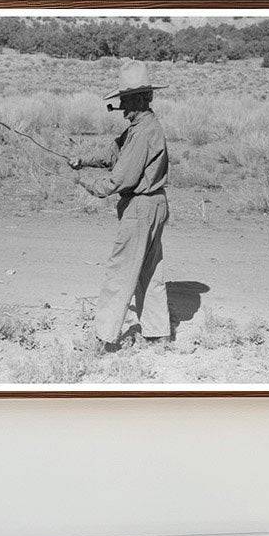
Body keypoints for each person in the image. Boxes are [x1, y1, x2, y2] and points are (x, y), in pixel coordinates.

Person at [70, 59, 171, 352]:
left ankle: (104, 338)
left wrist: (89, 185)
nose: (122, 106)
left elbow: (121, 179)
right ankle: (157, 334)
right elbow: (112, 153)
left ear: (141, 99)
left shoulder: (142, 132)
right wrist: (83, 161)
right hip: (155, 205)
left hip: (140, 207)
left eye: (126, 99)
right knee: (149, 271)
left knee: (121, 271)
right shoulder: (143, 126)